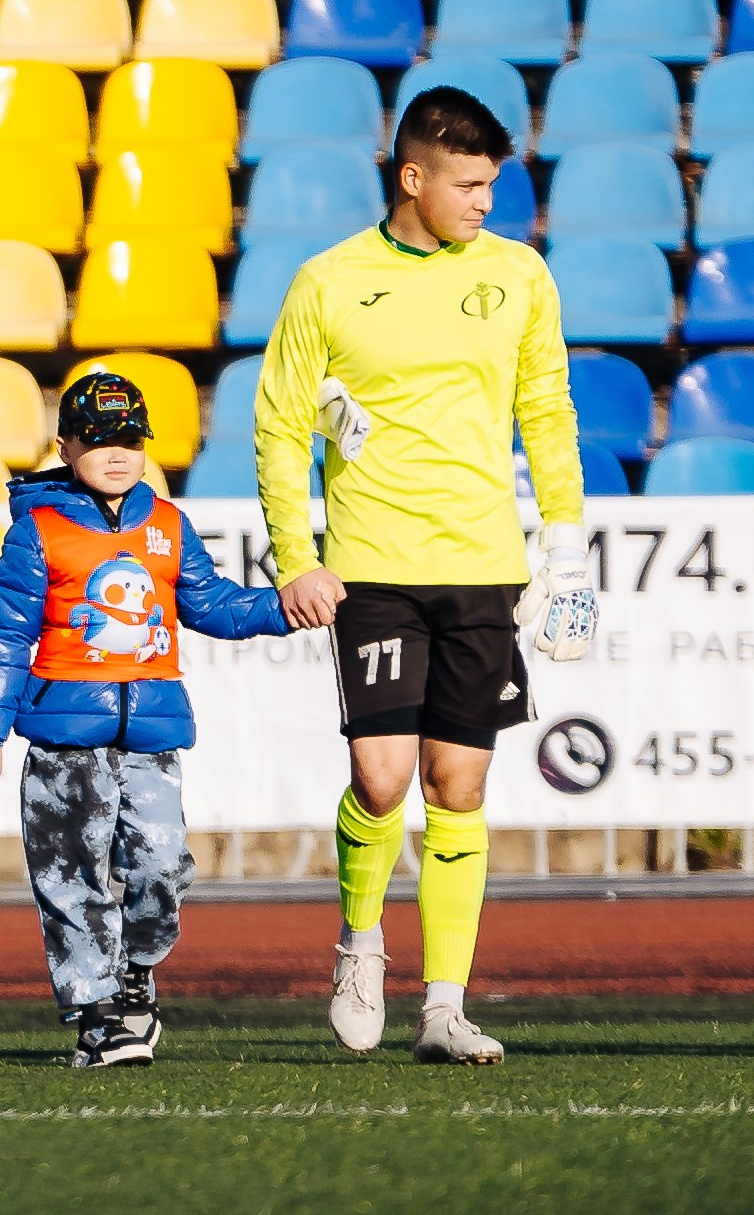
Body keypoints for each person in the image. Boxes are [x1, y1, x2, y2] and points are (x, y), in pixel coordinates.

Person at [254, 86, 597, 1066]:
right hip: (372, 568)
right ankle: (360, 946)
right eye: (468, 185)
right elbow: (279, 425)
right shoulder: (328, 281)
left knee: (460, 782)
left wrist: (566, 545)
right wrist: (297, 557)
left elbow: (547, 409)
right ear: (413, 178)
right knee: (381, 777)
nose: (486, 202)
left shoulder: (519, 274)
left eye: (492, 185)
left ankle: (444, 1007)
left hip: (483, 566)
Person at [0, 374, 289, 1067]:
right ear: (64, 446)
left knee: (163, 867)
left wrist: (285, 606)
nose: (117, 453)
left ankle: (137, 971)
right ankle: (97, 1016)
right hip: (62, 743)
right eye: (98, 439)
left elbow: (212, 604)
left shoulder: (168, 525)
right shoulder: (37, 531)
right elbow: (2, 633)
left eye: (131, 439)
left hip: (151, 739)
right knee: (70, 876)